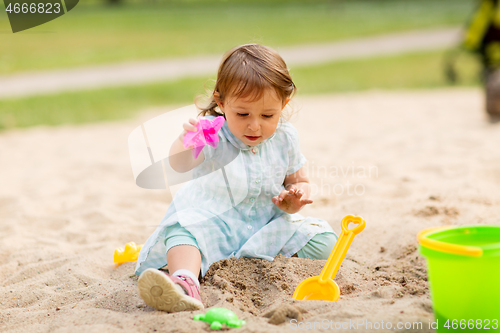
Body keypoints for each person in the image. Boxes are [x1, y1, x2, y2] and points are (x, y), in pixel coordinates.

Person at [135, 44, 338, 313]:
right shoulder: (211, 134)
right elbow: (179, 164)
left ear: (283, 104)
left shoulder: (286, 137)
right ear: (221, 103)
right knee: (181, 231)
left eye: (268, 115)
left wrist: (295, 199)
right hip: (214, 223)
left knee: (324, 239)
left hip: (264, 225)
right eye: (242, 114)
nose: (255, 125)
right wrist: (186, 142)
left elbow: (298, 180)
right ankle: (185, 280)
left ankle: (257, 260)